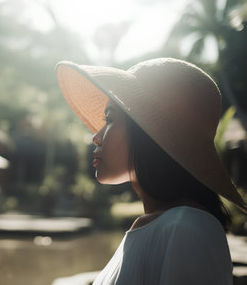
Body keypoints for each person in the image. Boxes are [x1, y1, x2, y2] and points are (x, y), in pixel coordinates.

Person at [55, 58, 247, 285]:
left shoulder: (185, 227)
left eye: (110, 119)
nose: (95, 137)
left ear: (149, 135)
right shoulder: (162, 225)